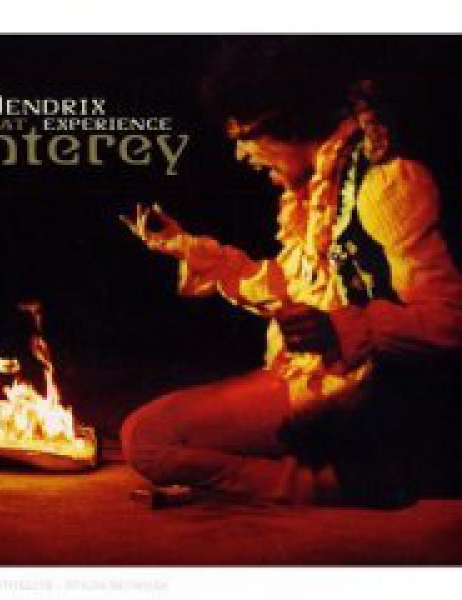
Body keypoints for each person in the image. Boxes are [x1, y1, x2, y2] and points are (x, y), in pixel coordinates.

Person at [120, 41, 462, 507]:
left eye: (243, 136)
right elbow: (290, 289)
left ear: (286, 121)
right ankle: (352, 472)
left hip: (376, 396)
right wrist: (183, 246)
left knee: (149, 441)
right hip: (321, 379)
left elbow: (449, 319)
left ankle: (332, 483)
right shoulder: (317, 192)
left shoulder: (387, 184)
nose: (241, 155)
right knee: (147, 434)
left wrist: (341, 327)